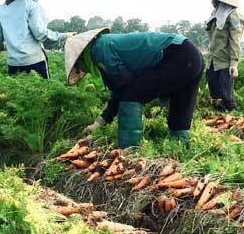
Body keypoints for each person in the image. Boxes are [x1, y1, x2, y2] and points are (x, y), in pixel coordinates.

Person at [66, 28, 203, 148]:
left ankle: (129, 151)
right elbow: (119, 87)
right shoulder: (104, 44)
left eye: (79, 65)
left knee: (131, 94)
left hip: (176, 55)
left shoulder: (99, 49)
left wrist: (102, 121)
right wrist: (101, 121)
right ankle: (180, 149)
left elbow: (124, 86)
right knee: (181, 104)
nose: (81, 69)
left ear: (82, 56)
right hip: (191, 54)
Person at [0, 0, 74, 78]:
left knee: (18, 94)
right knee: (42, 93)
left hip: (13, 64)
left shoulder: (0, 11)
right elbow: (40, 34)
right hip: (34, 61)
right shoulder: (31, 6)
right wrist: (64, 35)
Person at [201, 0, 244, 111]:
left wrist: (234, 64)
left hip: (225, 61)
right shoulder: (215, 15)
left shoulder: (233, 15)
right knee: (215, 95)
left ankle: (234, 119)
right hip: (213, 60)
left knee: (226, 95)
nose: (212, 1)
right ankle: (220, 119)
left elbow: (235, 40)